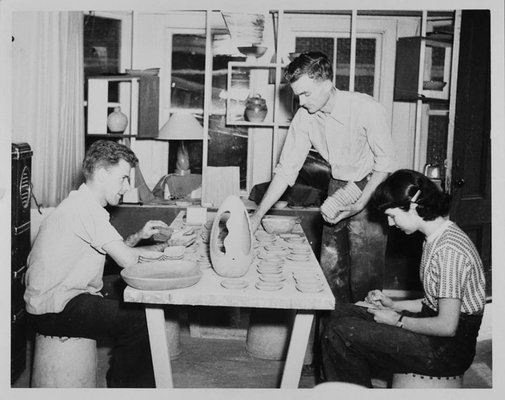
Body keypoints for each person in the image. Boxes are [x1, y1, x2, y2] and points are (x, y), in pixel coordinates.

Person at [24, 140, 173, 388]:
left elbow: (115, 251)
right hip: (54, 308)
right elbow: (127, 261)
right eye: (123, 178)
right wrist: (166, 260)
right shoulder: (85, 210)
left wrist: (142, 239)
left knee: (133, 303)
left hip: (63, 295)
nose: (127, 187)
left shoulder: (84, 204)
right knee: (139, 320)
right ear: (103, 174)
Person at [250, 51, 396, 302]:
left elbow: (385, 164)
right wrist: (257, 215)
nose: (302, 102)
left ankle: (362, 337)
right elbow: (286, 170)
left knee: (365, 279)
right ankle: (329, 339)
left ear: (328, 85)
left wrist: (360, 204)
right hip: (338, 187)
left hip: (372, 186)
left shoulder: (366, 109)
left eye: (307, 93)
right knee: (330, 275)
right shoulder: (305, 116)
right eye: (298, 96)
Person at [320, 169, 486, 388]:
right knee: (338, 313)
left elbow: (447, 325)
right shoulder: (436, 237)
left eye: (392, 215)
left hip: (448, 350)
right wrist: (393, 305)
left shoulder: (448, 250)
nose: (390, 224)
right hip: (437, 332)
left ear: (413, 207)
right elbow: (433, 302)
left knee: (340, 333)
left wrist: (397, 321)